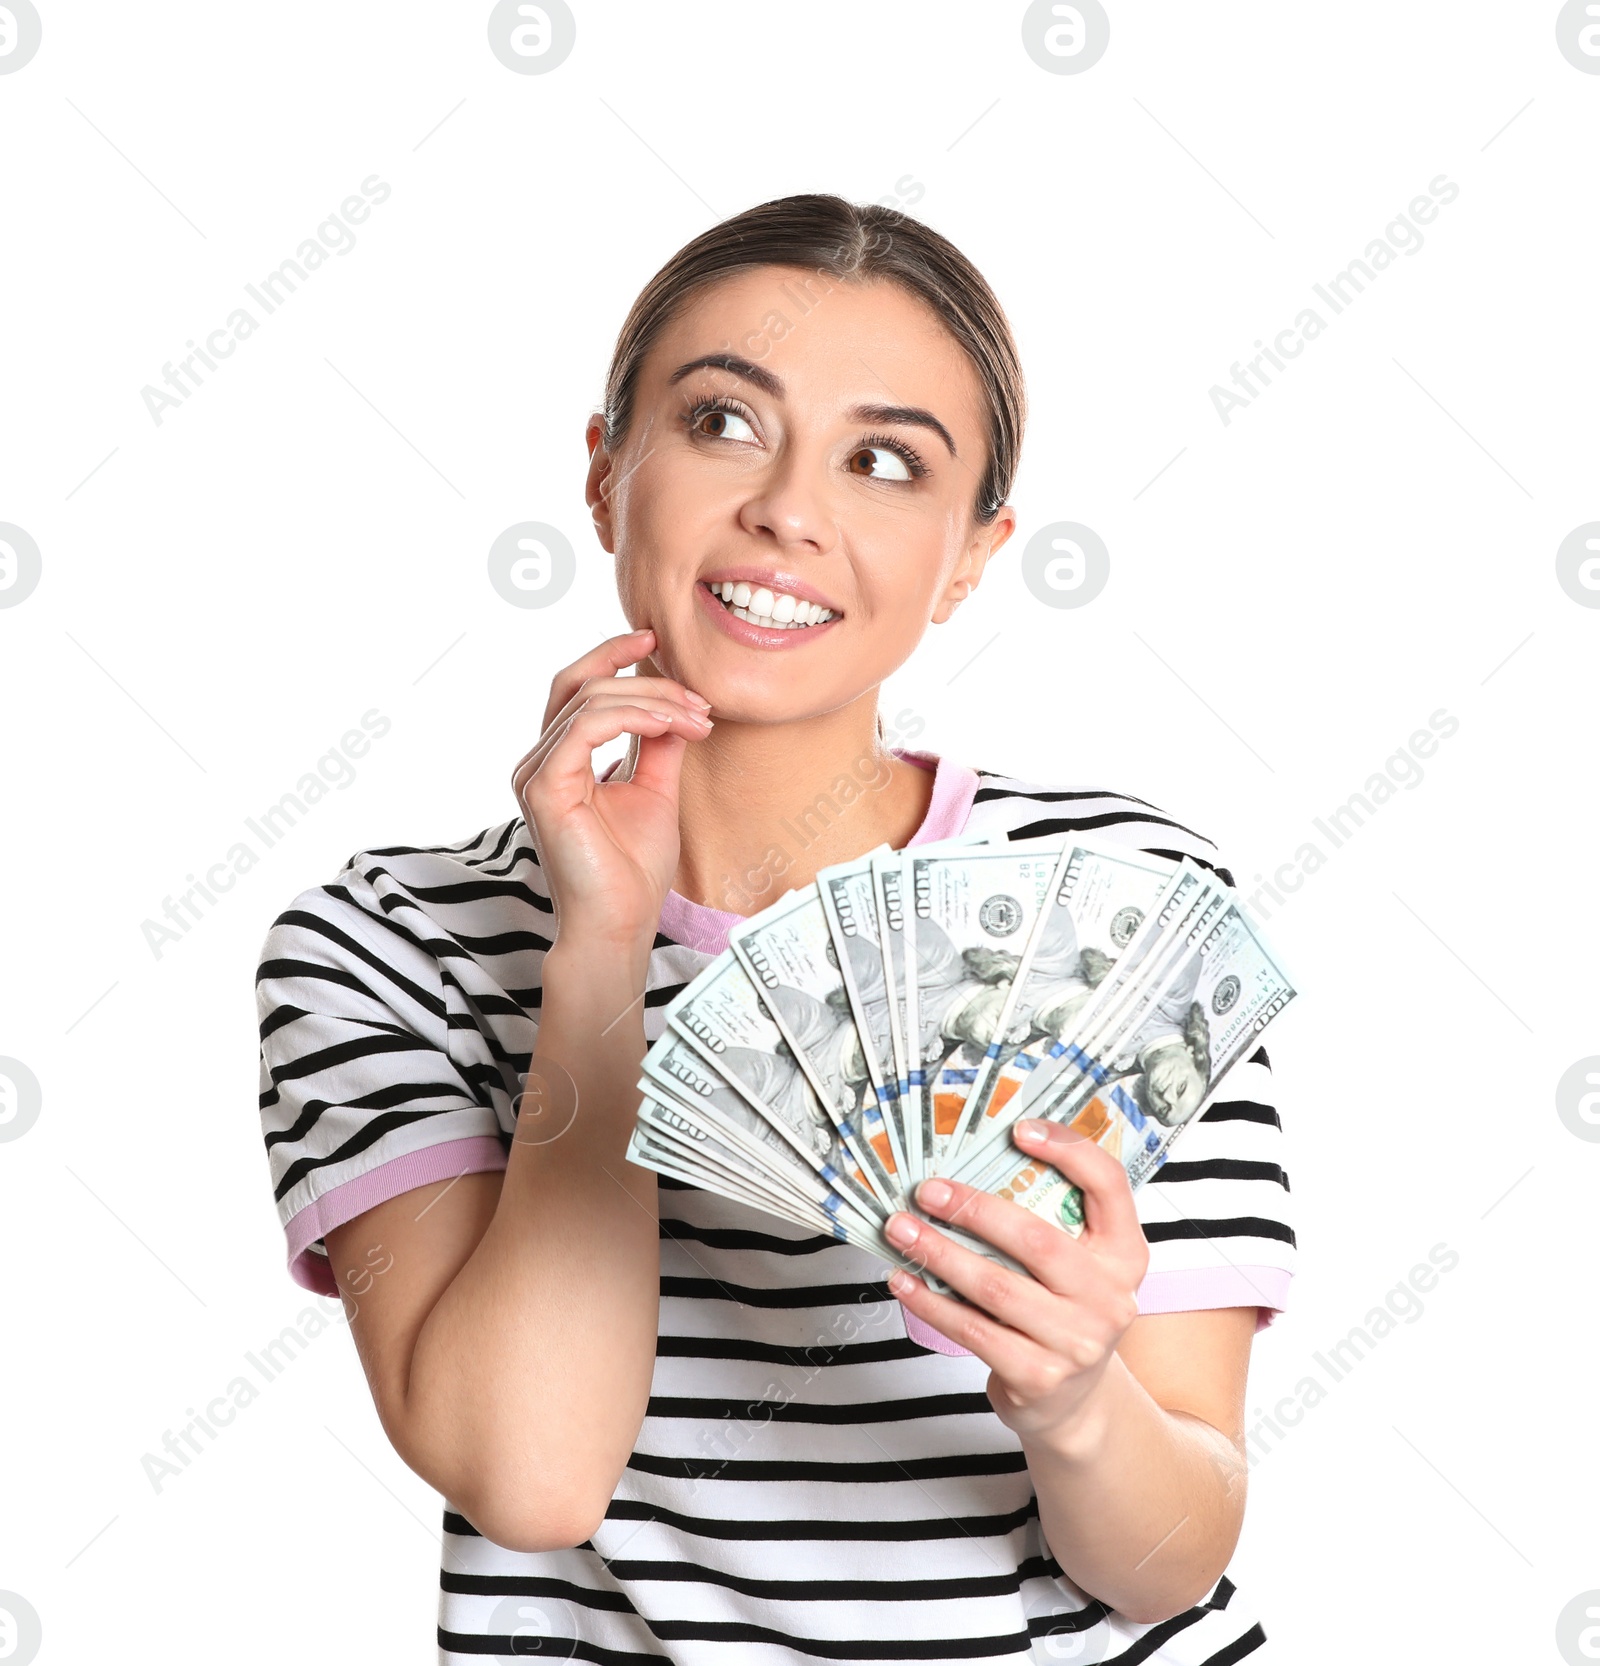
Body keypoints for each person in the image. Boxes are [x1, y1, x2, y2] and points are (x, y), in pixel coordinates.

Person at [254, 194, 1296, 1663]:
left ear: (971, 554)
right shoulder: (391, 945)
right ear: (608, 474)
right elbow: (535, 1476)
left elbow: (1173, 1559)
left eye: (885, 462)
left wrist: (1071, 1399)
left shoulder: (1116, 902)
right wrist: (601, 947)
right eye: (725, 422)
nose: (789, 510)